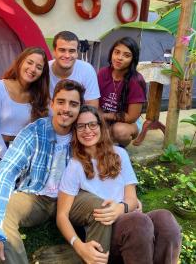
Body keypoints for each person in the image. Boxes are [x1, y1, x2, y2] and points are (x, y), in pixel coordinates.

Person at [57, 105, 181, 264]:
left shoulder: (120, 154)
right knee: (138, 222)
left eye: (92, 124)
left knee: (165, 219)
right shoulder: (75, 166)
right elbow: (62, 216)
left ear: (101, 127)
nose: (87, 130)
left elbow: (132, 198)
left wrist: (120, 208)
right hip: (107, 232)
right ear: (75, 131)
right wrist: (78, 244)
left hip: (129, 217)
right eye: (80, 126)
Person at [0, 79, 85, 264]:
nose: (66, 109)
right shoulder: (34, 132)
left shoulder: (86, 132)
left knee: (103, 209)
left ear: (80, 108)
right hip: (38, 197)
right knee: (3, 212)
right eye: (61, 102)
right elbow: (5, 173)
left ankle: (97, 257)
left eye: (73, 104)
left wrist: (126, 197)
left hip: (72, 198)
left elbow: (108, 162)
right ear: (52, 104)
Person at [0, 47, 50, 193]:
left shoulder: (39, 95)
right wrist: (9, 160)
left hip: (24, 150)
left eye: (39, 67)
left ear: (42, 73)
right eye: (29, 62)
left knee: (40, 180)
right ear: (20, 62)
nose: (32, 69)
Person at [98, 37, 146, 147]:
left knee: (120, 131)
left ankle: (121, 149)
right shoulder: (103, 73)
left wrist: (104, 116)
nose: (119, 58)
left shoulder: (136, 81)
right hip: (104, 116)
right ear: (111, 53)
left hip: (127, 122)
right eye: (117, 52)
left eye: (126, 55)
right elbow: (95, 101)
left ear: (133, 59)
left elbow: (131, 117)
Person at [49, 30, 100, 108]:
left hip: (76, 119)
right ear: (54, 52)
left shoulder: (87, 70)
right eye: (62, 50)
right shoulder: (44, 69)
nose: (67, 55)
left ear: (77, 53)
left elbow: (92, 107)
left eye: (72, 51)